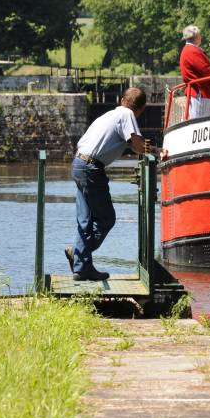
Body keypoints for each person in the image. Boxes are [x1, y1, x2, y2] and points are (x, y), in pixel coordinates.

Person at [65, 88, 151, 281]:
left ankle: (81, 267)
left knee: (85, 220)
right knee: (106, 219)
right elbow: (138, 146)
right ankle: (79, 254)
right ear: (142, 109)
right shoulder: (127, 114)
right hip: (91, 168)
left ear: (122, 100)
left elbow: (126, 142)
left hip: (79, 163)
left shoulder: (110, 115)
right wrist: (156, 150)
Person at [180, 24, 210, 119]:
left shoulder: (188, 49)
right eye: (200, 35)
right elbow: (205, 70)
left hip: (198, 91)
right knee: (205, 121)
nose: (201, 37)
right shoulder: (192, 51)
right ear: (197, 37)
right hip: (202, 92)